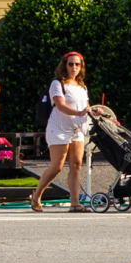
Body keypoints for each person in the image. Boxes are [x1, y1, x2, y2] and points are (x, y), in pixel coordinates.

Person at [30, 51, 92, 213]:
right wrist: (79, 112)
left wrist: (91, 112)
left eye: (77, 64)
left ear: (81, 66)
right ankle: (36, 195)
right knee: (57, 166)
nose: (74, 67)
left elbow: (86, 106)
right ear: (64, 65)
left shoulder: (82, 86)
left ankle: (75, 203)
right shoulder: (57, 84)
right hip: (58, 128)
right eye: (70, 64)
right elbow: (60, 105)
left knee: (76, 164)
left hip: (77, 128)